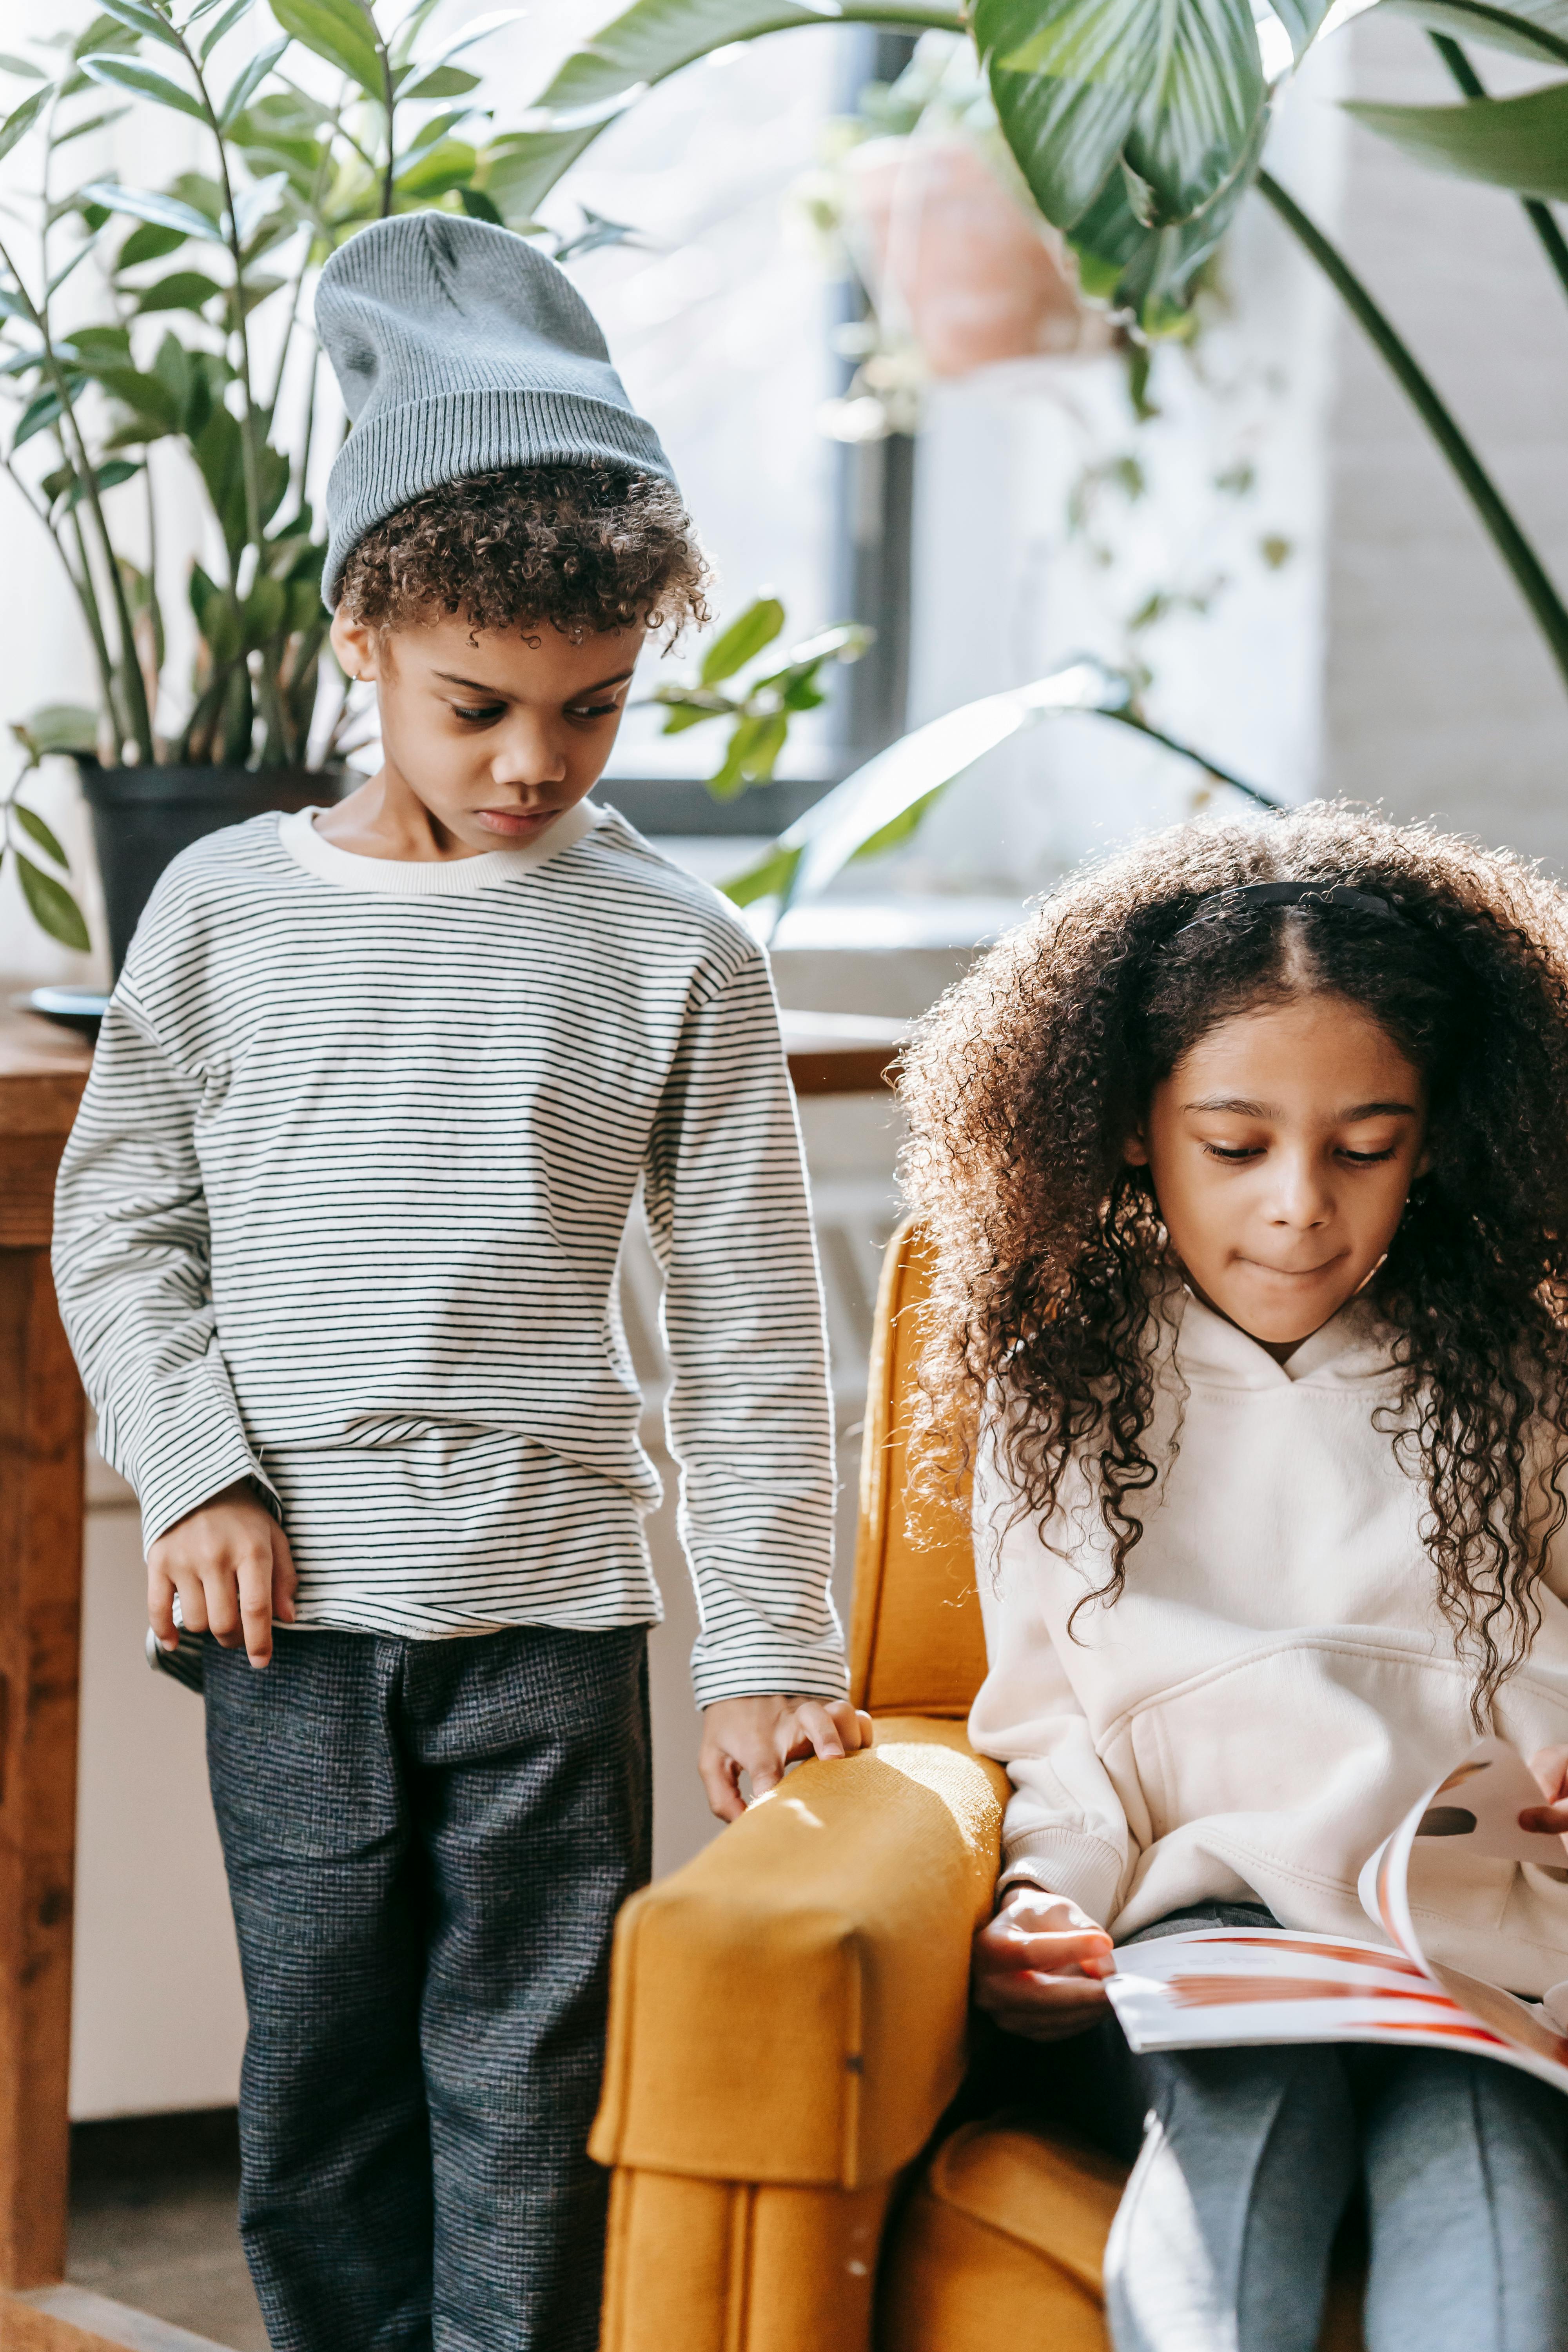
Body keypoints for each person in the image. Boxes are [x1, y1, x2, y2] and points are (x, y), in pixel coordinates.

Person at [52, 213, 868, 2352]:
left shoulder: (678, 954)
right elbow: (124, 1222)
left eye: (591, 713)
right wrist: (203, 1470)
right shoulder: (223, 915)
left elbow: (759, 1327)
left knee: (530, 2083)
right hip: (289, 1617)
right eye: (478, 705)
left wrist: (767, 1640)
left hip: (553, 1621)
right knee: (320, 2092)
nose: (535, 764)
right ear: (365, 640)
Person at [897, 806, 1568, 2352]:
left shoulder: (1522, 1369)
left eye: (1366, 1148)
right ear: (1135, 1124)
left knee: (1486, 2155)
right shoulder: (1060, 1380)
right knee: (1247, 2118)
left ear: (1438, 1134)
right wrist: (1044, 1912)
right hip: (1209, 1929)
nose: (1297, 1205)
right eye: (1234, 1147)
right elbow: (1054, 1719)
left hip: (1467, 1930)